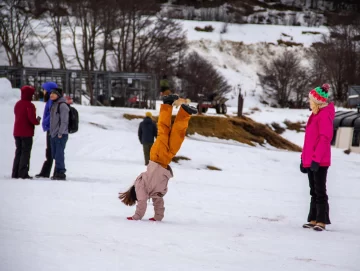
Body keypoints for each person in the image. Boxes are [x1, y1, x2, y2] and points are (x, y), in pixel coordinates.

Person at [119, 94, 197, 221]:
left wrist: (136, 217)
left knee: (164, 130)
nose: (139, 198)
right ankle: (185, 112)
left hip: (156, 157)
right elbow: (158, 202)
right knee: (178, 136)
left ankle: (167, 104)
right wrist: (158, 217)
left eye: (136, 198)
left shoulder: (140, 185)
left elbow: (142, 201)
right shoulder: (154, 192)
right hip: (165, 160)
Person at [300, 83, 335, 231]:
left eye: (311, 100)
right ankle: (313, 218)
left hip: (319, 160)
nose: (309, 102)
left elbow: (324, 138)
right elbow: (308, 141)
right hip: (311, 159)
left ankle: (322, 220)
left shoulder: (324, 115)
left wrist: (316, 159)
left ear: (317, 102)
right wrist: (303, 159)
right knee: (313, 190)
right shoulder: (314, 116)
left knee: (320, 190)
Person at [12, 86, 41, 179]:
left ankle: (15, 173)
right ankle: (23, 173)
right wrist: (37, 121)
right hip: (26, 133)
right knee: (25, 153)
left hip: (17, 132)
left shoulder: (17, 104)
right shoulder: (29, 105)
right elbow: (32, 119)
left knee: (18, 152)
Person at [35, 81, 58, 178]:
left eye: (44, 89)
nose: (43, 91)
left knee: (51, 151)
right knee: (49, 151)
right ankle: (46, 172)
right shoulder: (49, 100)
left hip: (52, 129)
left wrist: (45, 123)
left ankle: (48, 172)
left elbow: (51, 115)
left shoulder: (52, 101)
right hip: (50, 128)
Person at [49, 88, 69, 181]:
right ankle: (57, 171)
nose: (51, 95)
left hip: (60, 134)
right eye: (51, 93)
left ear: (59, 95)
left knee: (59, 154)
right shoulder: (54, 105)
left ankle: (60, 172)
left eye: (54, 93)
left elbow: (64, 121)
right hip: (53, 134)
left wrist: (60, 133)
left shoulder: (63, 106)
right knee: (55, 154)